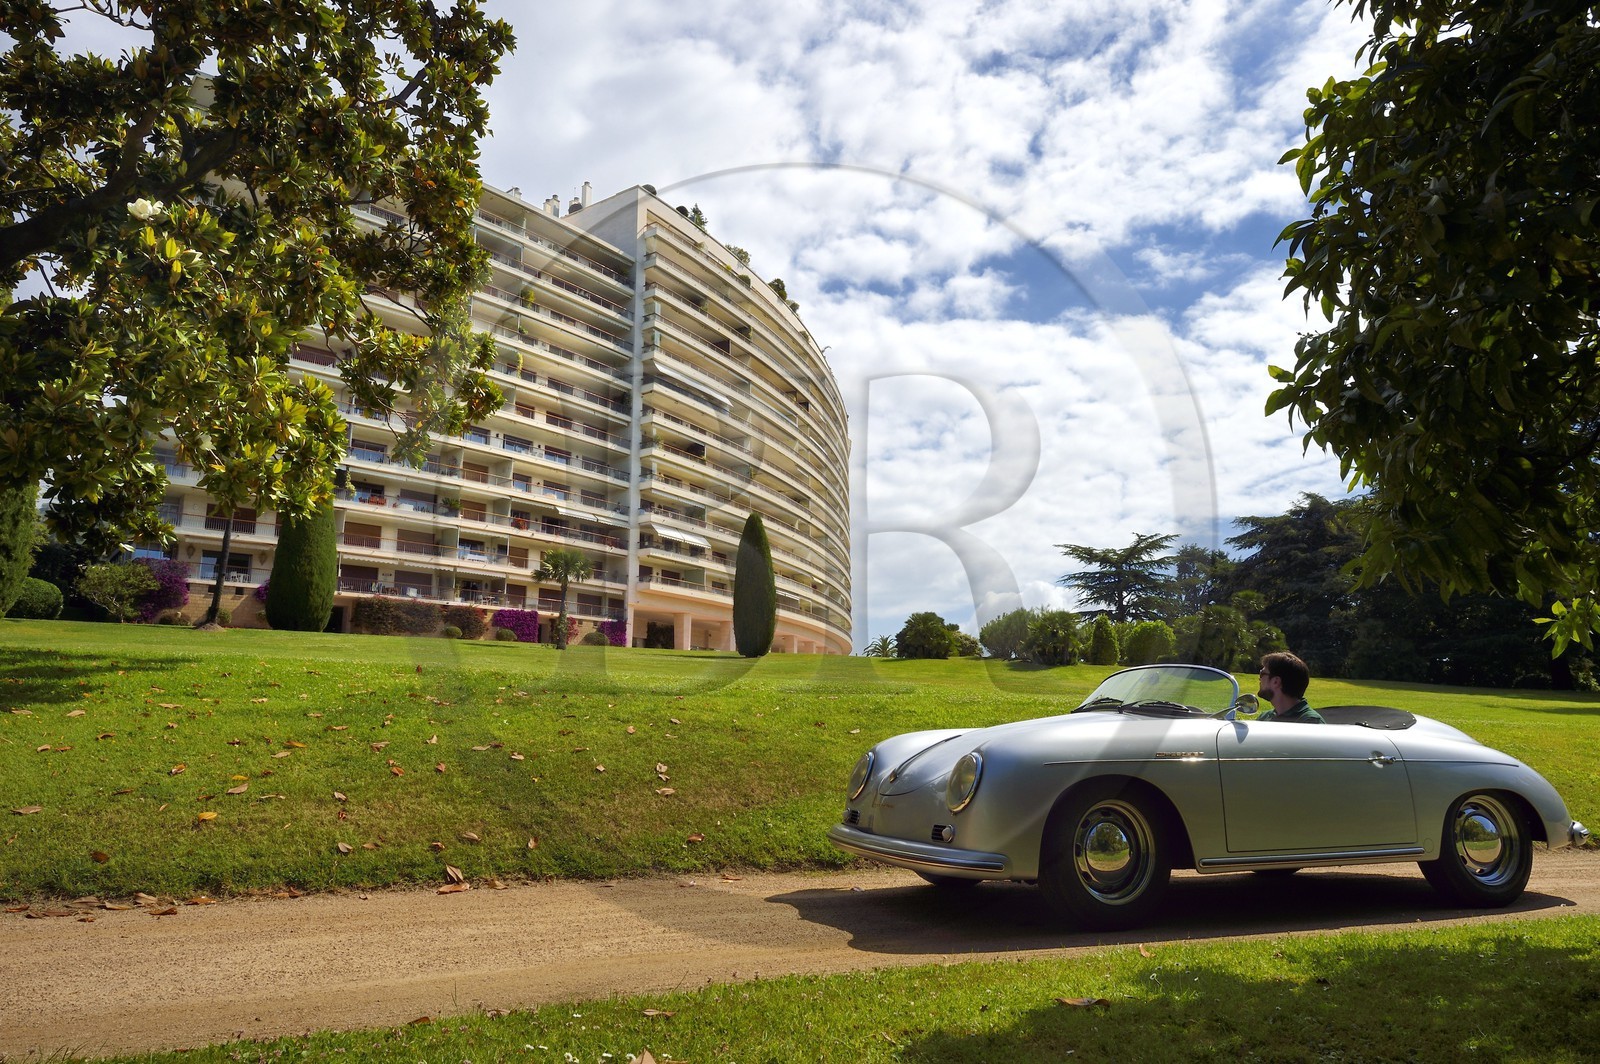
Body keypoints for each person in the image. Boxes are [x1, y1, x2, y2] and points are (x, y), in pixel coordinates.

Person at [1254, 651, 1324, 723]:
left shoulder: (1311, 722)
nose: (1259, 679)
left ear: (1276, 681)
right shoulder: (1264, 718)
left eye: (1262, 673)